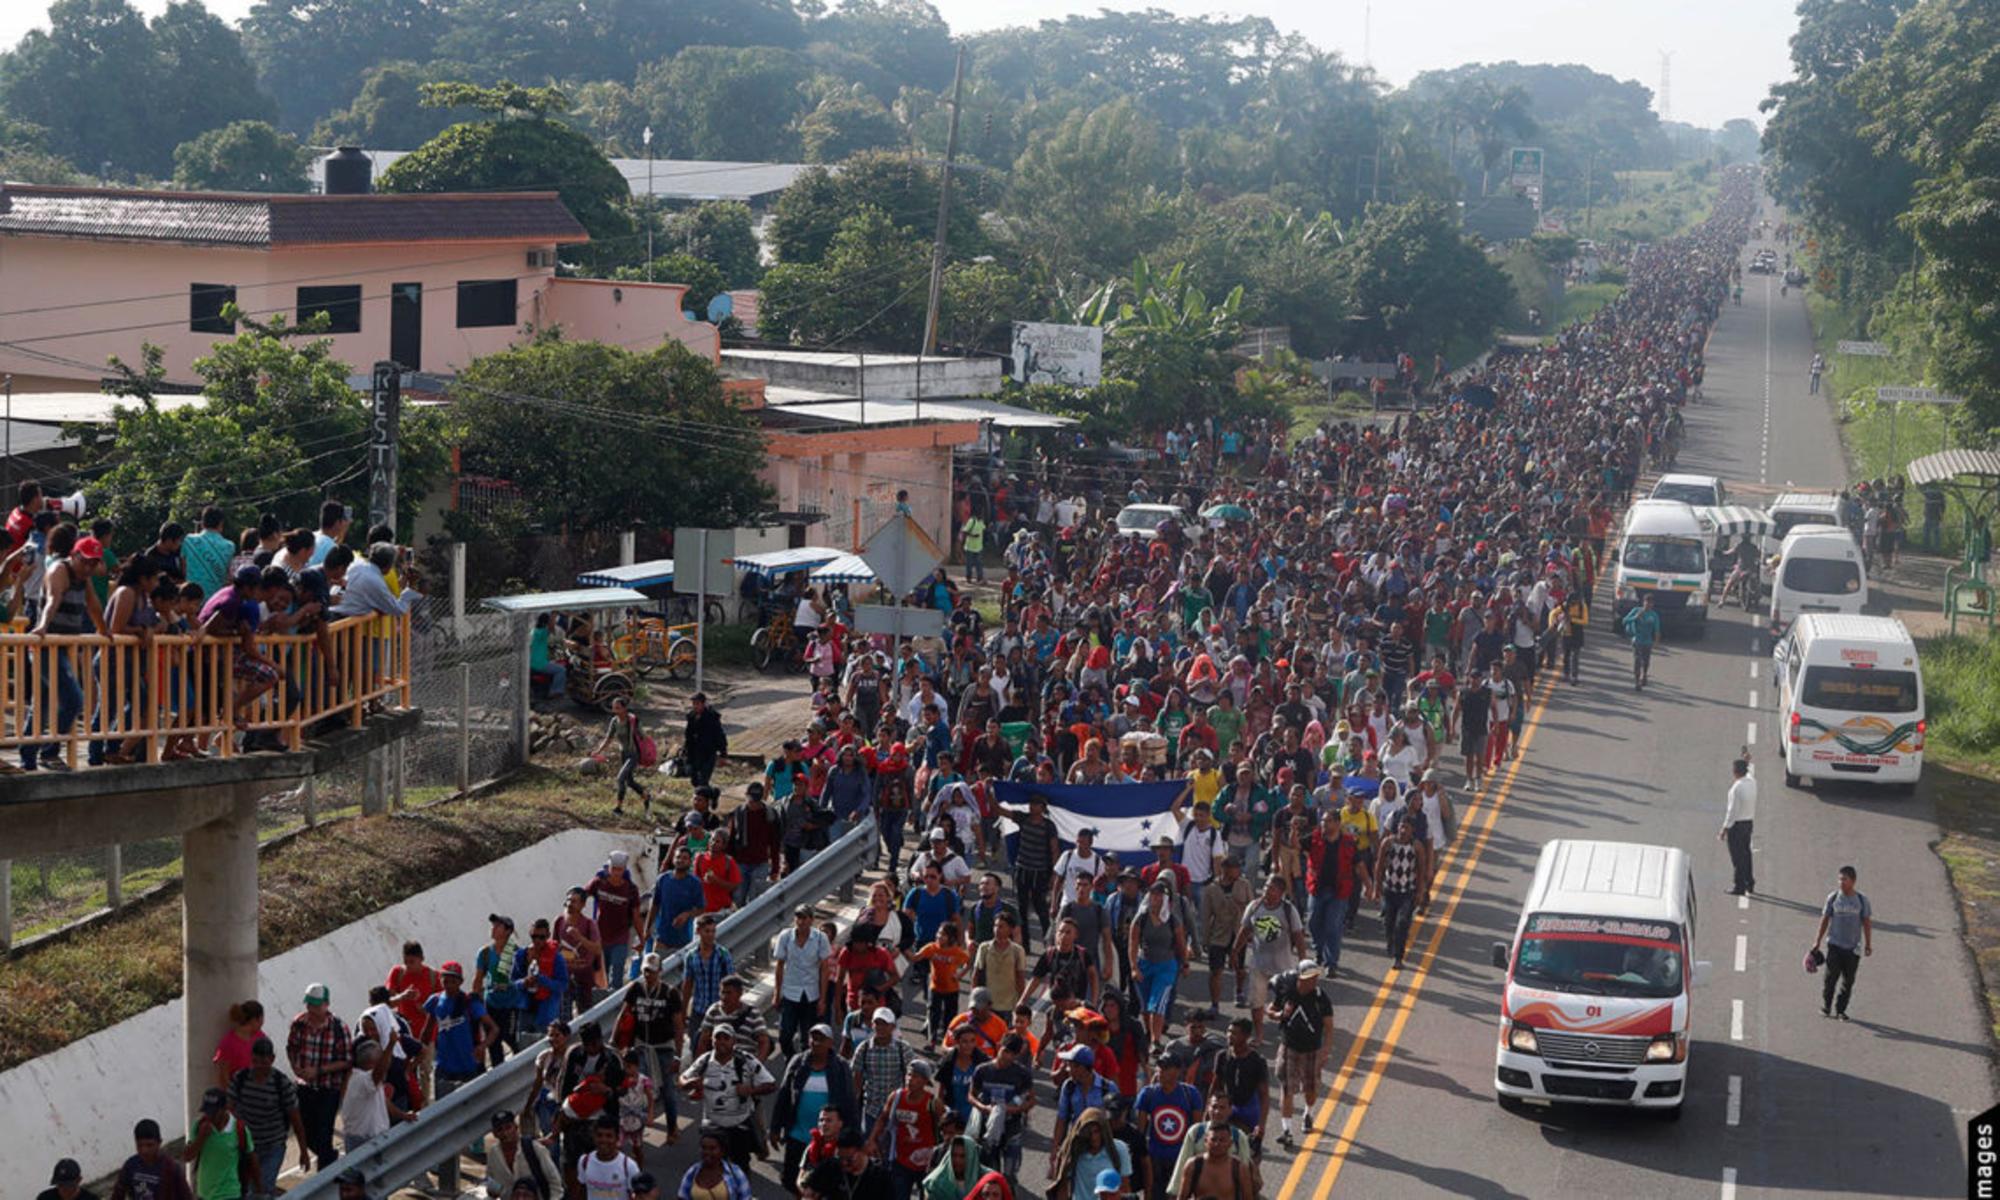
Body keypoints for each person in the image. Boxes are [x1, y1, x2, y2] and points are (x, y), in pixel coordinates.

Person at [771, 1023, 861, 1190]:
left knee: (824, 1185)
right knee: (793, 1180)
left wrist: (855, 1140)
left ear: (830, 1043)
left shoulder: (841, 1067)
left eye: (821, 1039)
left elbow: (850, 1104)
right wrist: (775, 1128)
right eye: (813, 1038)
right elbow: (784, 1095)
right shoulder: (798, 1062)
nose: (815, 1042)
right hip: (797, 1135)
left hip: (828, 1141)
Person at [681, 1023, 775, 1168]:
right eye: (718, 1038)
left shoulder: (746, 1060)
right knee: (712, 1166)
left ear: (734, 1041)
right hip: (712, 1126)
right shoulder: (705, 1061)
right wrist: (690, 1083)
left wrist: (750, 1090)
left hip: (739, 1125)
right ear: (712, 1041)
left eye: (726, 1038)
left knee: (741, 1167)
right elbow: (682, 1080)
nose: (722, 1042)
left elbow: (770, 1084)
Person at [226, 1038, 306, 1200]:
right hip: (246, 1148)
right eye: (256, 1061)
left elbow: (296, 1119)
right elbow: (229, 1111)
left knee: (264, 1189)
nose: (260, 1066)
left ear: (272, 1059)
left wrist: (303, 1150)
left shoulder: (281, 1083)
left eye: (264, 1062)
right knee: (245, 1189)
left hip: (272, 1146)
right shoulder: (240, 1079)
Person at [285, 983, 351, 1172]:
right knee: (304, 1130)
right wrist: (295, 1067)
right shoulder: (299, 1024)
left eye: (316, 1005)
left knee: (323, 1134)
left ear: (326, 1004)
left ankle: (326, 1173)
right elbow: (291, 1048)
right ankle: (329, 1158)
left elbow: (347, 1061)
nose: (311, 1010)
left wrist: (319, 1070)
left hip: (328, 1089)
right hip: (304, 1087)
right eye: (310, 1005)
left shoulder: (338, 1028)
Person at [623, 951, 687, 1143]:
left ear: (660, 971)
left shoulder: (670, 993)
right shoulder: (635, 989)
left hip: (664, 1047)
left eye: (652, 971)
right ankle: (638, 1133)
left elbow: (678, 1025)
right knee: (639, 1089)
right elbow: (624, 1014)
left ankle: (672, 1127)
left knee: (668, 1090)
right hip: (641, 1046)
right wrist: (617, 1042)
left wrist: (678, 1055)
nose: (648, 975)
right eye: (645, 971)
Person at [1273, 963, 1332, 1147]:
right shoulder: (1287, 992)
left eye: (1316, 977)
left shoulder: (1321, 998)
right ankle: (1287, 1130)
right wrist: (1281, 1014)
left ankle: (1308, 1113)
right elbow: (1270, 1011)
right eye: (1310, 978)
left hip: (1311, 1049)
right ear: (1300, 978)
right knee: (1286, 1088)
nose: (1314, 981)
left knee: (1310, 1088)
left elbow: (1329, 1027)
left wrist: (1325, 1052)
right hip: (1289, 1046)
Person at [1133, 1053, 1202, 1200]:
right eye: (1159, 1068)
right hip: (1154, 1159)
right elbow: (1140, 1129)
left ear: (1177, 1071)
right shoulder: (1148, 1093)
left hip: (1181, 1158)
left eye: (1165, 1068)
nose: (1160, 1072)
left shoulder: (1191, 1094)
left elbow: (1197, 1131)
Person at [772, 905, 836, 1057]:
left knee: (807, 1038)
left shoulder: (820, 939)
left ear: (811, 920)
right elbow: (780, 966)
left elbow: (824, 969)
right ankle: (791, 1059)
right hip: (790, 992)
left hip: (811, 994)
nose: (801, 922)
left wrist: (822, 999)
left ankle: (802, 1064)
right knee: (785, 1035)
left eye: (804, 918)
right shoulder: (786, 936)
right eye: (798, 917)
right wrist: (777, 992)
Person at [1812, 865, 1874, 1019]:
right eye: (1839, 879)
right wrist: (1817, 941)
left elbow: (1866, 922)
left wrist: (1868, 944)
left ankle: (1841, 1010)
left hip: (1853, 949)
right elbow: (1825, 919)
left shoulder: (1861, 900)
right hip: (1834, 945)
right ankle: (1826, 1006)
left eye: (1844, 879)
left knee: (1848, 982)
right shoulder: (1833, 898)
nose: (1841, 882)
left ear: (1853, 881)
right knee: (1830, 979)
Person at [1374, 816, 1429, 970]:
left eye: (1407, 828)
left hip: (1407, 892)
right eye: (1401, 827)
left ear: (1412, 831)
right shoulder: (1388, 843)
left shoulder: (1416, 847)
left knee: (1402, 923)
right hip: (1389, 890)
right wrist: (1376, 888)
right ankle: (1390, 942)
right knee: (1388, 922)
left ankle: (1399, 957)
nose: (1403, 831)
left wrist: (1420, 892)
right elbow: (1379, 866)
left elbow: (1421, 870)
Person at [183, 1088, 253, 1200]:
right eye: (207, 1112)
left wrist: (258, 1189)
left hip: (230, 1193)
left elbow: (251, 1157)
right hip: (205, 1194)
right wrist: (201, 1138)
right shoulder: (199, 1125)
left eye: (214, 1112)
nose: (210, 1116)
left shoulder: (238, 1129)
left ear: (225, 1109)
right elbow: (187, 1156)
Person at [593, 695, 654, 814]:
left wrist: (648, 749)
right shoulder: (614, 721)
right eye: (614, 708)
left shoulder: (632, 720)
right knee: (629, 781)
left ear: (625, 708)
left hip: (633, 754)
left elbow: (644, 736)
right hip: (623, 754)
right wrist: (598, 751)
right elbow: (608, 738)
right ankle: (646, 796)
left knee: (620, 779)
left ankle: (619, 808)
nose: (615, 711)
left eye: (618, 708)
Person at [483, 1109, 559, 1199]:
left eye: (508, 1127)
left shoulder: (535, 1148)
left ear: (516, 1127)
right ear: (495, 1134)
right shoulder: (493, 1153)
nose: (505, 1133)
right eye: (500, 1130)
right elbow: (491, 1184)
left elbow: (555, 1183)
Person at [109, 1119, 191, 1200]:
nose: (144, 1150)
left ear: (159, 1143)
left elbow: (186, 1197)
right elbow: (118, 1193)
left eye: (149, 1145)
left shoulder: (171, 1168)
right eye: (140, 1145)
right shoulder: (130, 1165)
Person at [576, 1115, 641, 1200]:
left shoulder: (629, 1166)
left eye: (609, 1136)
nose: (603, 1140)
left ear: (617, 1138)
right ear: (594, 1137)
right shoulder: (584, 1161)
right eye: (599, 1135)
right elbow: (582, 1191)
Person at [680, 1132, 756, 1200]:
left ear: (722, 1151)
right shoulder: (692, 1172)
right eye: (703, 1148)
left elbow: (746, 1197)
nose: (706, 1152)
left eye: (712, 1148)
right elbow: (682, 1197)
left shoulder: (735, 1173)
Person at [1720, 755, 1757, 896]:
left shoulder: (1736, 788)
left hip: (1736, 826)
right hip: (1748, 823)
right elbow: (1751, 775)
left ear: (1735, 772)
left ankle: (1739, 885)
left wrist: (1724, 829)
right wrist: (1747, 761)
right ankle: (1750, 882)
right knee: (1746, 854)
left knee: (1737, 857)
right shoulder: (1752, 782)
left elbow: (1732, 811)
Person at [683, 693, 729, 788]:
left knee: (703, 780)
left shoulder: (711, 717)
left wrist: (723, 753)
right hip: (694, 753)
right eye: (694, 703)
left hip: (708, 753)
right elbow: (688, 736)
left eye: (697, 703)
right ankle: (702, 796)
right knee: (694, 780)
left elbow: (719, 735)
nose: (695, 706)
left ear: (703, 704)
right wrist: (685, 751)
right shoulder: (691, 717)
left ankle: (705, 798)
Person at [1621, 593, 1662, 690]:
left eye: (1650, 603)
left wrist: (1656, 642)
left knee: (1646, 661)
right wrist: (1635, 617)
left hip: (1647, 641)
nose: (1648, 604)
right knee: (1637, 660)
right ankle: (1637, 681)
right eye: (1646, 602)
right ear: (1643, 602)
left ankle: (1644, 675)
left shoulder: (1654, 615)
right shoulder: (1636, 610)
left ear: (1652, 604)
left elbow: (1657, 629)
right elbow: (1624, 621)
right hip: (1637, 640)